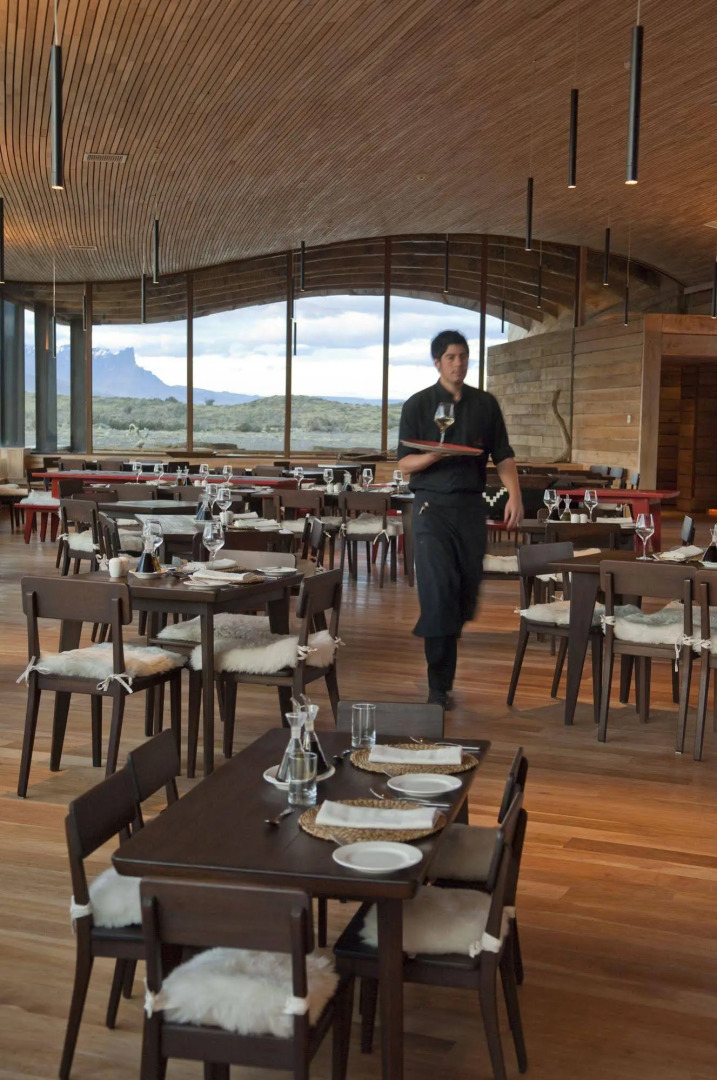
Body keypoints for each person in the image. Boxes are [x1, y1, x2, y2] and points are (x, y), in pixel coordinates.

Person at [396, 330, 523, 708]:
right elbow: (404, 463)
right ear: (437, 362)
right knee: (438, 596)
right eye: (451, 357)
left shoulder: (485, 404)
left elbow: (502, 456)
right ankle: (439, 688)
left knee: (465, 595)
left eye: (463, 356)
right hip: (430, 510)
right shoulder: (418, 405)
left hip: (470, 508)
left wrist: (515, 495)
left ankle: (448, 638)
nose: (459, 363)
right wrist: (434, 455)